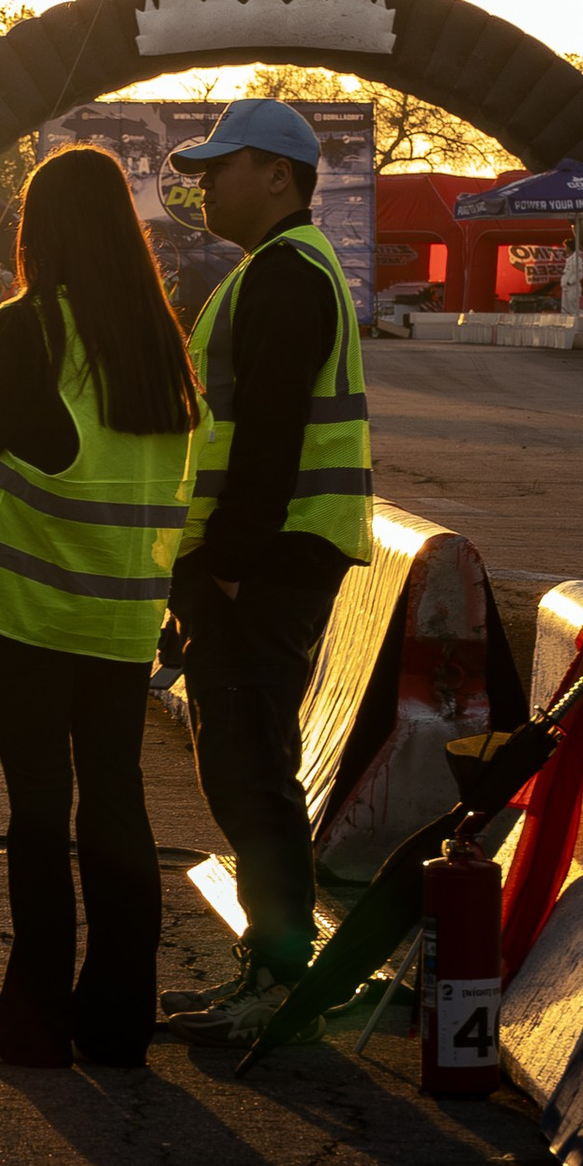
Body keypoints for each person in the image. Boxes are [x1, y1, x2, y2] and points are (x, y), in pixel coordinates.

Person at [0, 145, 200, 1070]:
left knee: (40, 811)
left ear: (38, 231)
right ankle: (123, 1017)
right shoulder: (160, 339)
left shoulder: (28, 327)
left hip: (33, 607)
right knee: (118, 806)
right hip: (125, 615)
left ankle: (37, 1020)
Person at [154, 100, 373, 1048]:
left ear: (277, 174)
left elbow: (272, 436)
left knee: (251, 768)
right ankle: (275, 966)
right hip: (264, 558)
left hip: (266, 562)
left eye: (219, 168)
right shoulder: (275, 272)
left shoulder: (285, 276)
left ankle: (282, 978)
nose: (203, 186)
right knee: (243, 765)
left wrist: (231, 567)